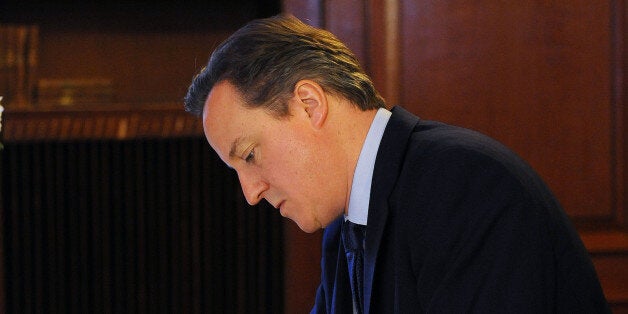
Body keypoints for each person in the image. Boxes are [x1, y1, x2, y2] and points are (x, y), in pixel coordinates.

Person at [184, 14, 610, 313]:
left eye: (250, 156)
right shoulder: (343, 220)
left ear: (308, 105)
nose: (251, 192)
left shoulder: (465, 186)